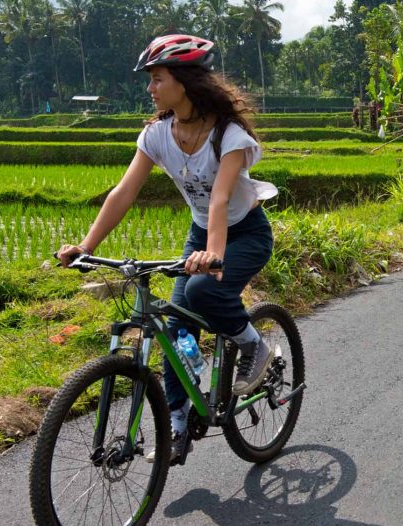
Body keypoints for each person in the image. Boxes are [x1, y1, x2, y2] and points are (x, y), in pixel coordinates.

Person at [57, 34, 278, 462]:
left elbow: (218, 198)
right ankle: (179, 421)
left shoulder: (227, 135)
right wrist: (84, 246)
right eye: (151, 80)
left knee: (200, 292)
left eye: (157, 79)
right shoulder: (158, 134)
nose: (150, 88)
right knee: (176, 330)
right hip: (200, 236)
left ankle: (253, 345)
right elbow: (123, 193)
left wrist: (212, 257)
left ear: (184, 81)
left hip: (244, 233)